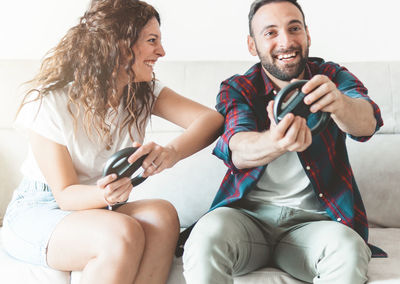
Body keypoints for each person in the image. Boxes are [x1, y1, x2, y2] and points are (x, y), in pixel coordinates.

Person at [1, 0, 223, 283]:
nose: (161, 51)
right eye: (152, 40)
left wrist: (171, 152)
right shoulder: (50, 102)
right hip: (40, 209)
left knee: (162, 215)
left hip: (97, 207)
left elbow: (211, 120)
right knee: (121, 232)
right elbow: (66, 194)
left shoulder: (143, 91)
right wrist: (105, 195)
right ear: (119, 44)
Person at [182, 0, 386, 283]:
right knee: (205, 237)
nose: (286, 42)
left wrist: (340, 104)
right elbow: (237, 148)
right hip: (247, 221)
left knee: (349, 250)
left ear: (308, 35)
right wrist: (277, 142)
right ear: (253, 45)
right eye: (271, 33)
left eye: (294, 29)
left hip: (314, 225)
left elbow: (369, 123)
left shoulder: (331, 77)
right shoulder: (239, 87)